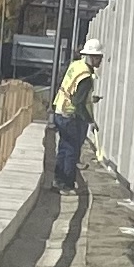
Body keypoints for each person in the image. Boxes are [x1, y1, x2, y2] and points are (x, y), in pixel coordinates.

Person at [51, 45, 97, 189]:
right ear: (91, 57)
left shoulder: (76, 65)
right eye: (98, 57)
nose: (101, 60)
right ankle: (66, 184)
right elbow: (78, 103)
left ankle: (58, 180)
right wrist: (91, 121)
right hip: (70, 114)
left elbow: (72, 89)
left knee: (64, 147)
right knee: (72, 149)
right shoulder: (86, 77)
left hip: (60, 109)